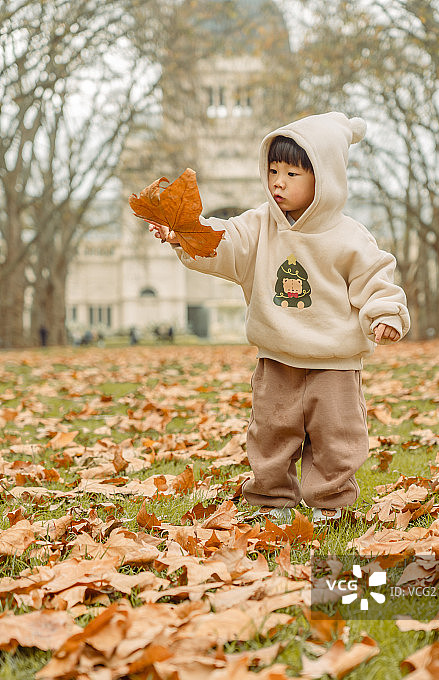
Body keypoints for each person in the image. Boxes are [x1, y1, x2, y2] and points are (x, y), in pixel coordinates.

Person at [149, 112, 410, 524]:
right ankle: (271, 499)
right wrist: (185, 234)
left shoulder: (349, 237)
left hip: (334, 364)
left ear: (324, 179)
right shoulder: (258, 226)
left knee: (337, 437)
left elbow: (375, 279)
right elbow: (224, 241)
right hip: (277, 360)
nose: (278, 182)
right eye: (273, 170)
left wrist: (385, 313)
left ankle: (330, 503)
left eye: (292, 173)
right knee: (270, 432)